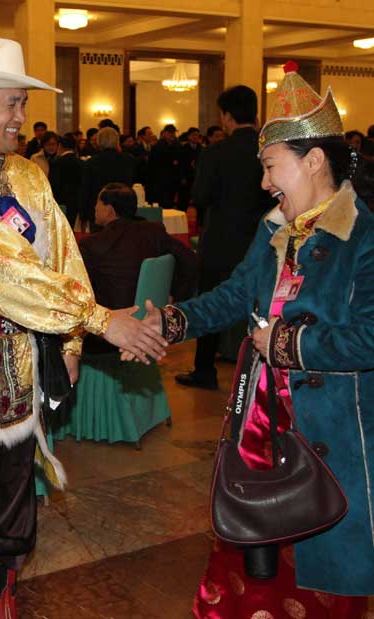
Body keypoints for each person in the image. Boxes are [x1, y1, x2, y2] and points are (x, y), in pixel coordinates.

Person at [0, 37, 166, 619]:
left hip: (22, 365)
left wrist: (73, 342)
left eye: (22, 104)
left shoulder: (31, 177)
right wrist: (99, 320)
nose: (20, 116)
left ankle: (3, 602)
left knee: (15, 502)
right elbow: (4, 273)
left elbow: (63, 256)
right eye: (9, 103)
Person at [140, 61, 374, 618]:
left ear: (313, 161)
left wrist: (289, 346)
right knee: (251, 577)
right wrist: (166, 324)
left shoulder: (363, 237)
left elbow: (369, 335)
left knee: (324, 585)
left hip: (333, 441)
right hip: (262, 430)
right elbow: (234, 295)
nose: (265, 182)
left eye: (271, 166)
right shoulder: (276, 228)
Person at [176, 85, 271, 389]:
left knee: (211, 301)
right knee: (261, 306)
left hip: (221, 241)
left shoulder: (216, 152)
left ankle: (205, 370)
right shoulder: (269, 149)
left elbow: (200, 195)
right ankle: (259, 376)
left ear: (227, 116)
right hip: (262, 240)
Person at [79, 182, 197, 355]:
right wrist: (173, 297)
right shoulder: (153, 232)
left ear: (110, 210)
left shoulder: (91, 245)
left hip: (111, 331)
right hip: (150, 323)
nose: (94, 207)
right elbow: (190, 260)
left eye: (98, 202)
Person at [79, 127, 137, 230]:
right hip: (123, 208)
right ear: (117, 141)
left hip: (99, 210)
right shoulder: (129, 160)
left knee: (99, 238)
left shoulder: (91, 162)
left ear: (99, 142)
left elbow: (86, 189)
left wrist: (83, 216)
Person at [48, 133, 83, 227]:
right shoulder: (80, 162)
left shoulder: (56, 163)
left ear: (60, 146)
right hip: (76, 202)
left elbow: (53, 185)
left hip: (60, 203)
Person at [147, 123, 183, 208]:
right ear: (164, 133)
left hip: (173, 179)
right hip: (160, 180)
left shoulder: (177, 145)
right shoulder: (158, 147)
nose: (172, 135)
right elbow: (152, 165)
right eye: (170, 133)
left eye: (173, 133)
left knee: (170, 202)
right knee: (162, 203)